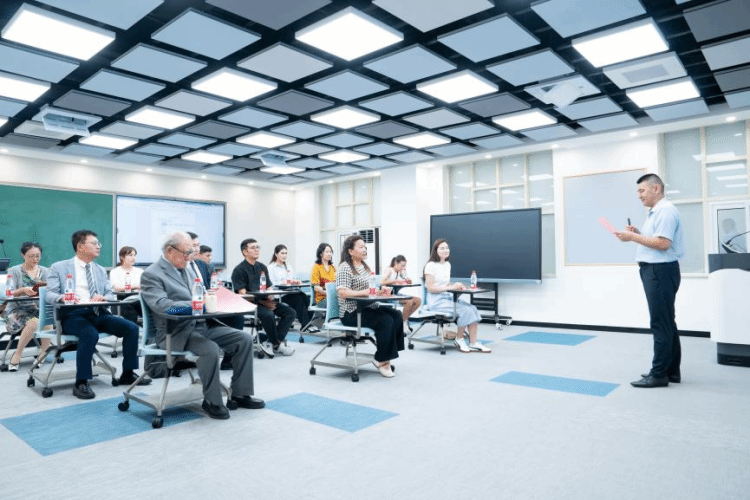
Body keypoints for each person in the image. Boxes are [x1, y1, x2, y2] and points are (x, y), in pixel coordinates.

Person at [140, 232, 263, 420]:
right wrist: (195, 305)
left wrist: (216, 300)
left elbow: (201, 294)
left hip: (202, 324)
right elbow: (162, 307)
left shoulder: (188, 268)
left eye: (191, 252)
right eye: (186, 252)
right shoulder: (151, 274)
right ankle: (212, 401)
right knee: (210, 349)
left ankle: (240, 393)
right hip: (176, 332)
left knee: (244, 339)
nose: (190, 257)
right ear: (169, 250)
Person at [46, 230, 150, 399]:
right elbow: (50, 294)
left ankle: (128, 373)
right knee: (90, 334)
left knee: (131, 328)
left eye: (98, 243)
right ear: (80, 246)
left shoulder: (100, 270)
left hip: (97, 313)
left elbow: (110, 294)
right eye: (94, 243)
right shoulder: (59, 267)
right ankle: (81, 382)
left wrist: (104, 297)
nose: (98, 246)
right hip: (73, 315)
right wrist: (63, 297)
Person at [615, 173, 685, 388]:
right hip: (659, 270)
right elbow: (655, 239)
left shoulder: (665, 211)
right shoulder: (657, 212)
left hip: (659, 271)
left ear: (656, 188)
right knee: (667, 322)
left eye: (642, 190)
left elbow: (663, 244)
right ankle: (671, 371)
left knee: (660, 323)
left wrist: (633, 237)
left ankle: (659, 374)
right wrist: (638, 233)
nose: (639, 195)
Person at [336, 235, 404, 377]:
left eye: (365, 247)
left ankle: (386, 355)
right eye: (361, 247)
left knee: (396, 315)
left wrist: (380, 291)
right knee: (386, 321)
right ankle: (382, 360)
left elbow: (370, 290)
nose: (365, 249)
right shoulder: (344, 267)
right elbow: (342, 293)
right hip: (351, 312)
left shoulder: (364, 267)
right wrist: (365, 292)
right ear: (351, 251)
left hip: (367, 307)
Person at [423, 239, 491, 353]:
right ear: (435, 250)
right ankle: (459, 339)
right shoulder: (430, 265)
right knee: (465, 310)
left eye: (447, 248)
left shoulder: (447, 265)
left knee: (473, 308)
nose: (445, 250)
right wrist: (450, 288)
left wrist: (456, 286)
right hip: (436, 301)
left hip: (447, 297)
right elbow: (430, 288)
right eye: (442, 248)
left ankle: (473, 343)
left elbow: (446, 285)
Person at [231, 238, 295, 357]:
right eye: (253, 248)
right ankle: (276, 344)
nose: (257, 250)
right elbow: (243, 294)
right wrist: (263, 302)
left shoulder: (262, 267)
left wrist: (271, 297)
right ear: (245, 252)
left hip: (266, 302)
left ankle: (271, 342)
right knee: (268, 314)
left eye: (258, 247)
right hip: (250, 305)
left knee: (290, 312)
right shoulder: (239, 270)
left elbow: (269, 287)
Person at [3, 242, 51, 371]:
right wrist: (23, 290)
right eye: (31, 256)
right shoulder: (14, 271)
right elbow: (8, 293)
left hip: (37, 309)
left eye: (37, 256)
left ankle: (43, 353)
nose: (35, 259)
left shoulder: (45, 271)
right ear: (23, 255)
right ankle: (17, 353)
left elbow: (51, 290)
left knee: (47, 320)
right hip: (16, 312)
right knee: (35, 321)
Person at [267, 244, 317, 333]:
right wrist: (284, 282)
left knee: (306, 298)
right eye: (282, 253)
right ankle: (305, 325)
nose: (284, 255)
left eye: (286, 253)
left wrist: (295, 281)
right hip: (279, 295)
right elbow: (271, 283)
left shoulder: (288, 266)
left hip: (290, 292)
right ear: (276, 254)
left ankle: (308, 324)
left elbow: (292, 278)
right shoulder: (271, 267)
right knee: (298, 300)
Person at [380, 255, 422, 333]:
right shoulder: (389, 270)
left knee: (418, 300)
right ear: (396, 263)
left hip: (396, 294)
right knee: (409, 302)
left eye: (404, 266)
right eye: (402, 265)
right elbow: (382, 282)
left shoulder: (399, 272)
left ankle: (402, 320)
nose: (403, 267)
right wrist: (394, 281)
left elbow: (404, 279)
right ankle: (402, 323)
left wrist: (408, 281)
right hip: (389, 295)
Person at [108, 246, 143, 323]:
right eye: (130, 255)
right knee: (129, 309)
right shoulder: (115, 271)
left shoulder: (140, 271)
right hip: (120, 301)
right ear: (122, 257)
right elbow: (118, 288)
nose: (133, 258)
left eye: (134, 255)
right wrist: (135, 286)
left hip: (137, 300)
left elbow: (143, 286)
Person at [310, 243, 336, 307]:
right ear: (321, 253)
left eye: (330, 252)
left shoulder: (332, 267)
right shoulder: (316, 267)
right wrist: (328, 293)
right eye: (327, 252)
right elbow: (316, 287)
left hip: (333, 296)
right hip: (322, 299)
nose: (329, 254)